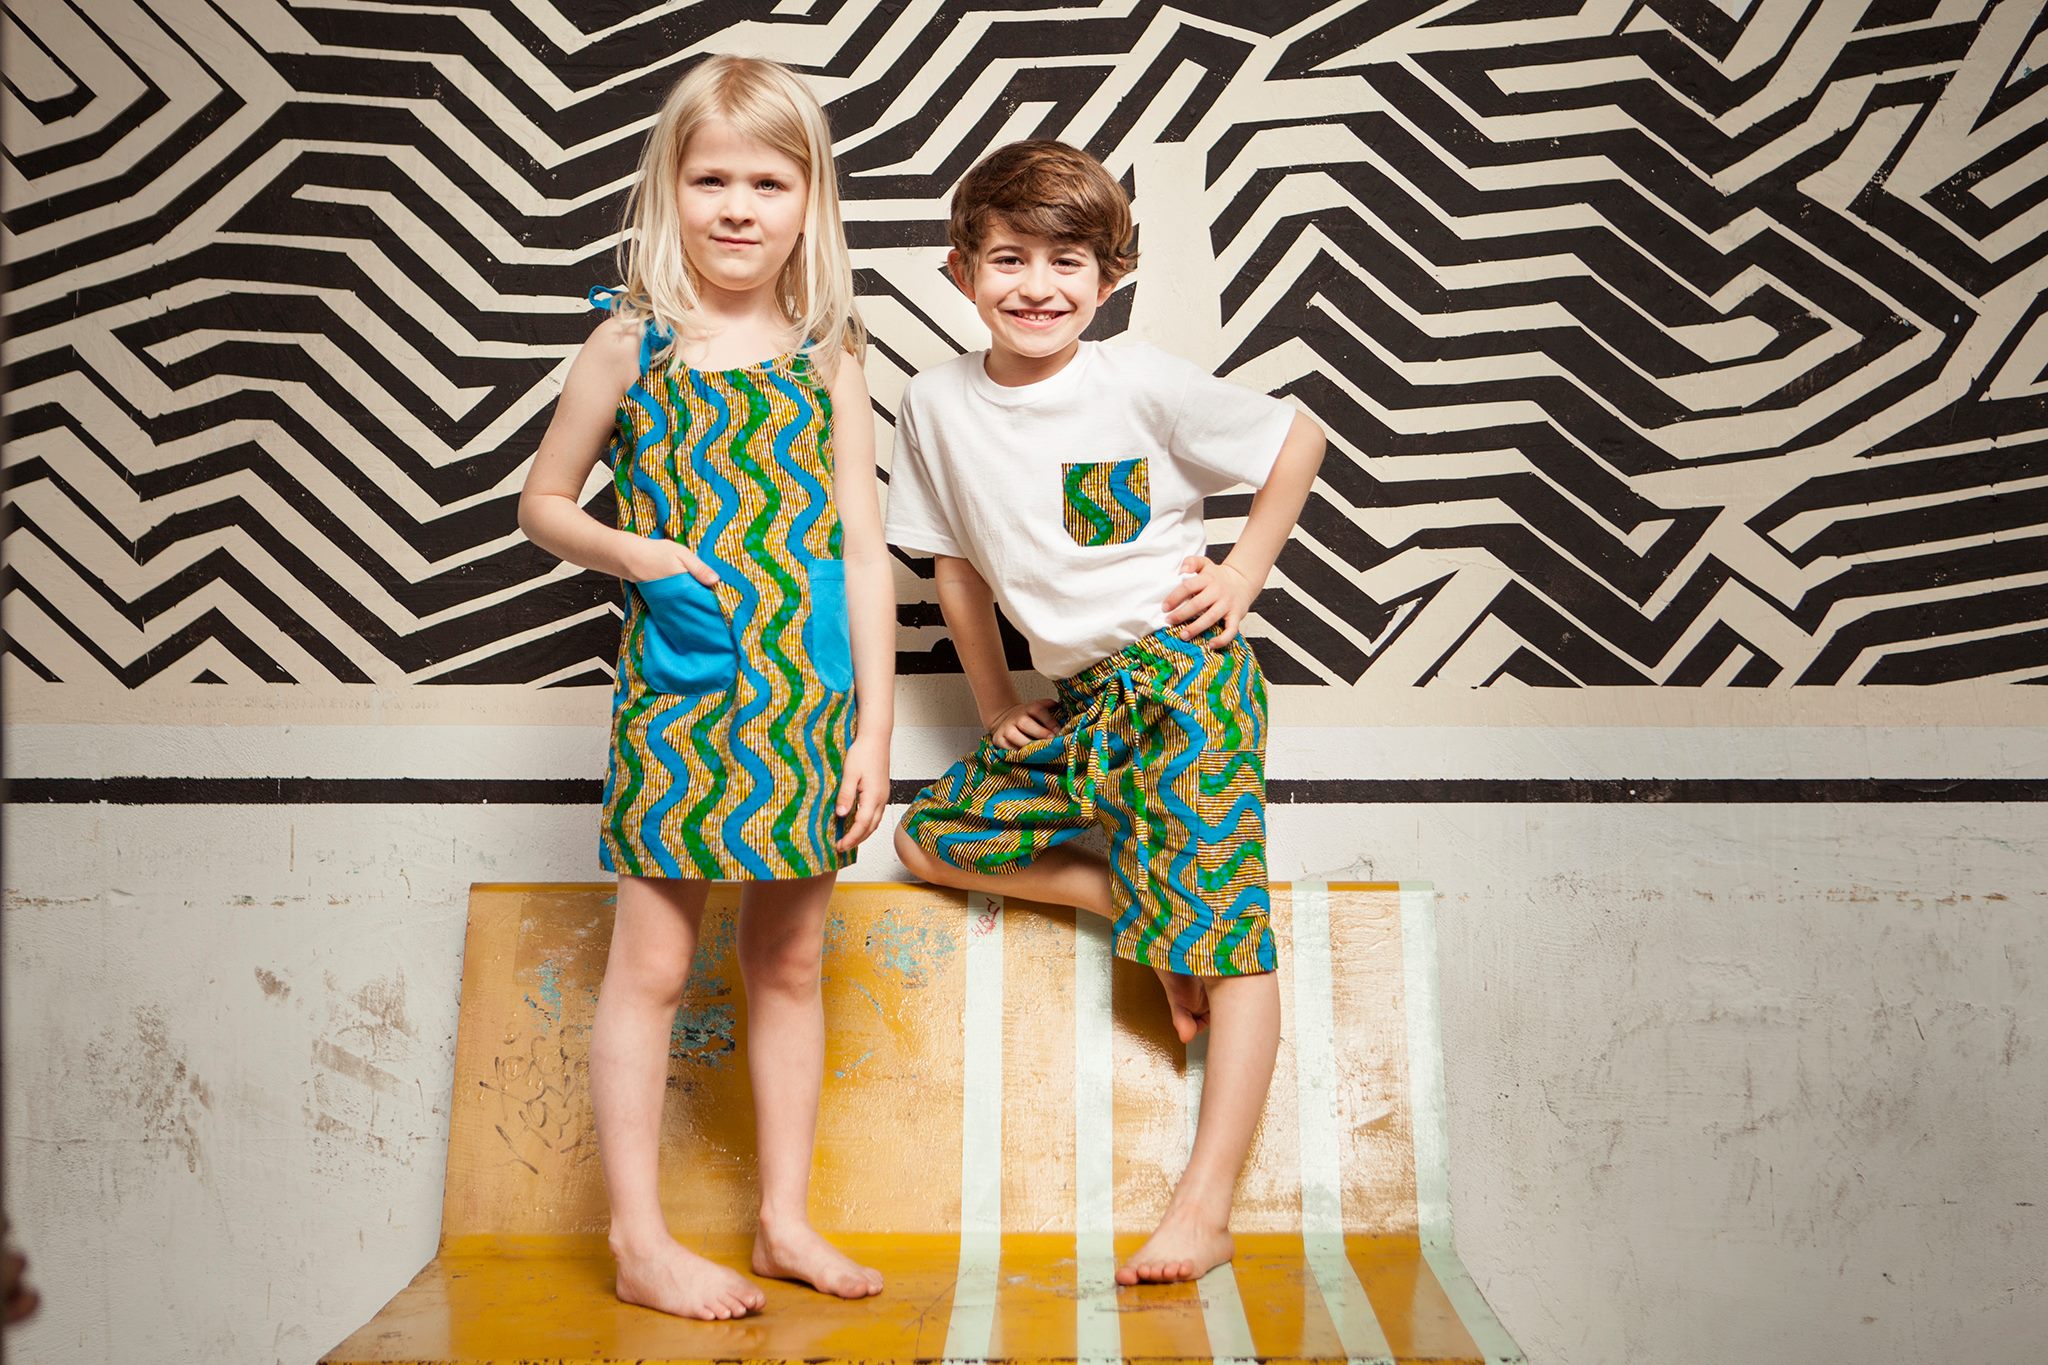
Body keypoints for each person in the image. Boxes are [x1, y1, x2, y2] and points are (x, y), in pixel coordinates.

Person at [887, 139, 1326, 1285]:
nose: (1036, 285)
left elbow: (1298, 440)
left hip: (1184, 685)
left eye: (1065, 262)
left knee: (1228, 941)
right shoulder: (933, 404)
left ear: (1107, 276)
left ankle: (1204, 1209)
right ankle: (1147, 906)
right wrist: (995, 699)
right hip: (1077, 700)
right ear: (959, 271)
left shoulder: (1134, 380)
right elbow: (952, 567)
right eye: (1007, 259)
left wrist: (1243, 573)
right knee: (931, 840)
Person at [518, 54, 891, 1321]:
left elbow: (860, 557)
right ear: (668, 189)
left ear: (810, 199)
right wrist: (635, 554)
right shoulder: (628, 345)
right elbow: (542, 503)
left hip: (805, 705)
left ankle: (783, 1220)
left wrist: (873, 733)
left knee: (788, 961)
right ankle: (638, 1240)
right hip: (679, 703)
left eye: (768, 183)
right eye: (711, 179)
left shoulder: (830, 358)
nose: (738, 208)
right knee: (654, 966)